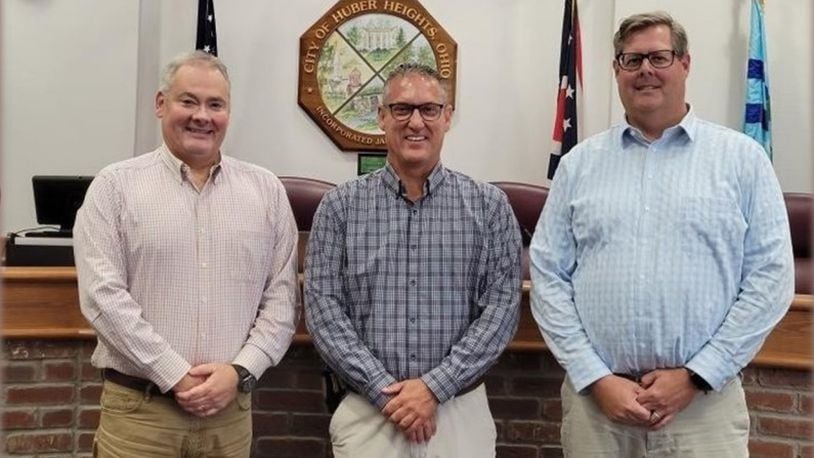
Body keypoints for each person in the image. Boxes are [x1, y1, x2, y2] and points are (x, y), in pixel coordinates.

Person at [530, 11, 794, 457]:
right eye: (631, 60)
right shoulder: (579, 165)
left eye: (659, 57)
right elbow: (548, 275)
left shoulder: (742, 160)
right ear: (617, 70)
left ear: (685, 64)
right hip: (599, 410)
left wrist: (696, 375)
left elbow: (771, 278)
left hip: (703, 410)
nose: (645, 70)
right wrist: (594, 376)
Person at [73, 50, 300, 457]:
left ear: (228, 112)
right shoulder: (114, 187)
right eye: (188, 101)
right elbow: (102, 299)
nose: (202, 116)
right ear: (162, 104)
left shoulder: (265, 191)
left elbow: (281, 303)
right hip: (140, 415)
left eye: (216, 105)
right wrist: (175, 374)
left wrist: (239, 371)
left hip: (228, 416)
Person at [304, 63, 522, 457]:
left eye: (429, 109)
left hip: (459, 411)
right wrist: (385, 393)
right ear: (382, 117)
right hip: (369, 411)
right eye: (401, 109)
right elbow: (323, 311)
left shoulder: (490, 207)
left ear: (448, 116)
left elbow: (501, 311)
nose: (415, 122)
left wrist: (435, 387)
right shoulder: (339, 207)